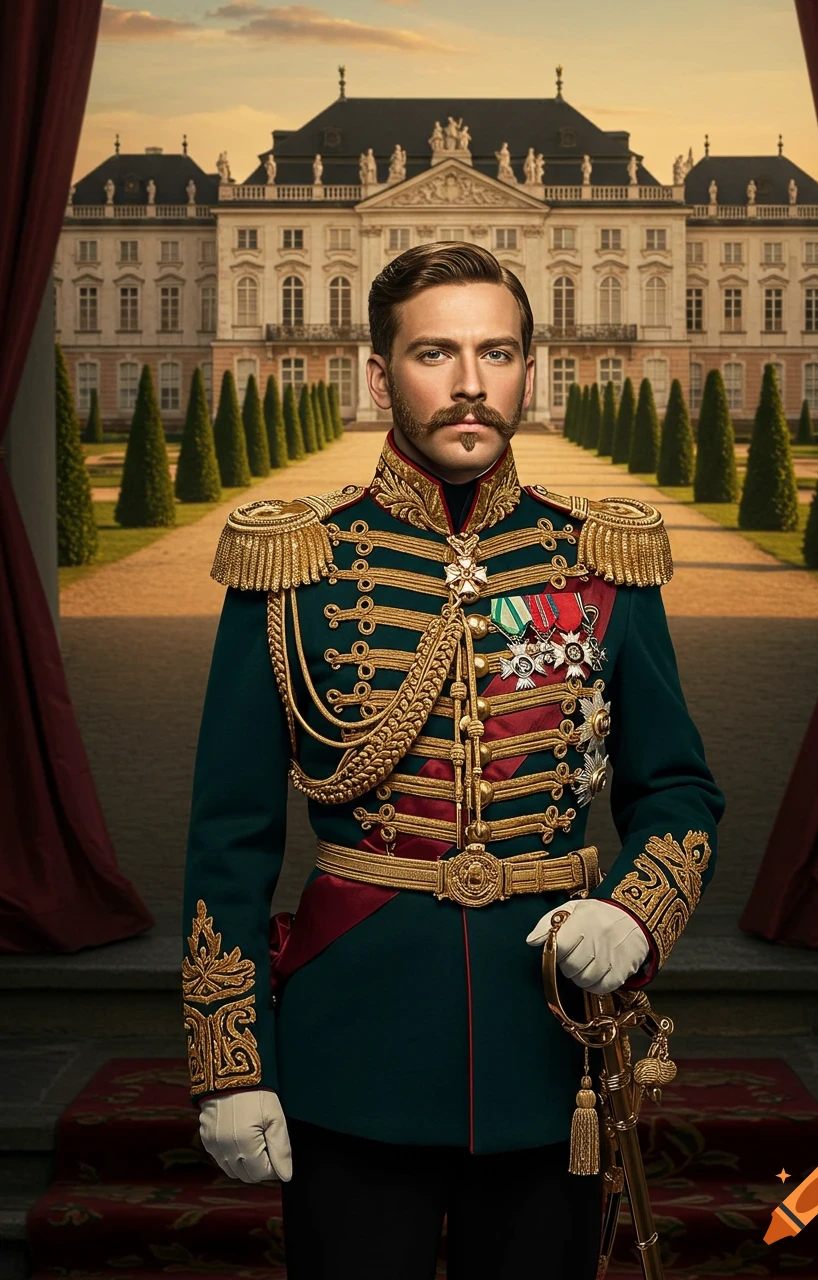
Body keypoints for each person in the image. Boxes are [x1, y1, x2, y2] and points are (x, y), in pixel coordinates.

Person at [181, 242, 725, 1279]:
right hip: (354, 1037)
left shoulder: (597, 555)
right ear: (379, 374)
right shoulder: (294, 560)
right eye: (435, 351)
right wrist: (230, 1062)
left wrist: (634, 907)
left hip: (549, 1044)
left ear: (530, 368)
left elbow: (678, 790)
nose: (470, 382)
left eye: (497, 351)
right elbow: (229, 839)